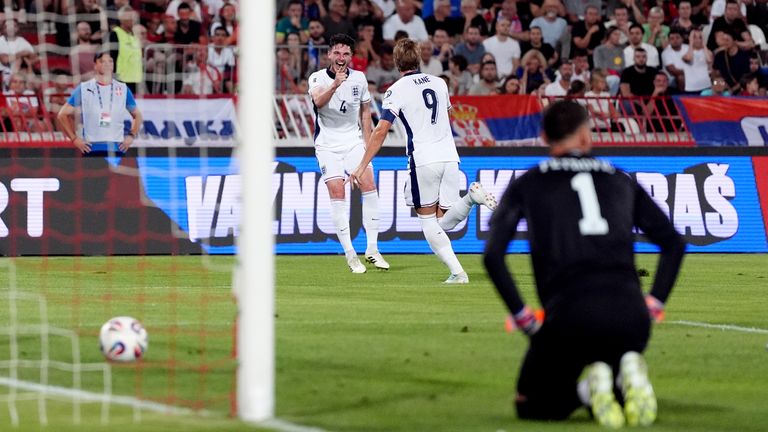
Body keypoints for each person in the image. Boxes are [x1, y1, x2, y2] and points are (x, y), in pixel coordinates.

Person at [483, 99, 686, 428]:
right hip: (631, 320)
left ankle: (588, 391)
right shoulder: (620, 178)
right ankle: (623, 373)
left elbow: (493, 256)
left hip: (569, 317)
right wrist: (652, 305)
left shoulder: (528, 183)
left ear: (545, 137)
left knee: (531, 403)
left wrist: (526, 322)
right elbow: (674, 244)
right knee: (610, 351)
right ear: (585, 136)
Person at [347, 38, 498, 284]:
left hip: (423, 159)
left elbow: (381, 130)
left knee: (428, 223)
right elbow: (447, 117)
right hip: (449, 156)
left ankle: (459, 273)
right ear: (418, 59)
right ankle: (471, 198)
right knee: (444, 223)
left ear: (397, 62)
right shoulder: (440, 83)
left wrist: (362, 165)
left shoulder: (395, 90)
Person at [307, 34, 389, 273]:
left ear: (351, 57)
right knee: (337, 192)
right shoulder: (317, 78)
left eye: (345, 54)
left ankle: (373, 249)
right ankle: (351, 255)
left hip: (353, 142)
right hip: (327, 145)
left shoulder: (360, 79)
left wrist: (366, 147)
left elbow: (365, 113)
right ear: (329, 54)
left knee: (370, 186)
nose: (341, 58)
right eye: (337, 53)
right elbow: (319, 102)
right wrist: (336, 84)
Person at [57, 52, 143, 155]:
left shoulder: (122, 88)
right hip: (91, 148)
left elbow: (137, 115)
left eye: (110, 61)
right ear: (95, 65)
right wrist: (75, 139)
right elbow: (62, 115)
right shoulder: (84, 88)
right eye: (102, 61)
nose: (107, 64)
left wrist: (131, 136)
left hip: (117, 148)